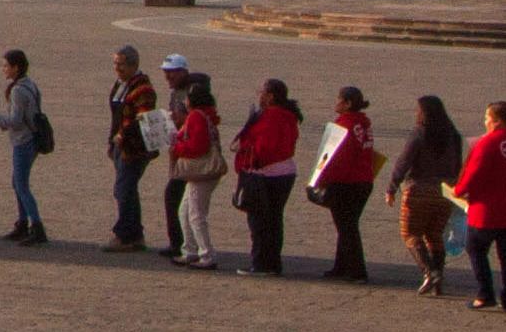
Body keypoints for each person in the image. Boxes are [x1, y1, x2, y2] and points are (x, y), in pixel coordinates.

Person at [454, 98, 506, 311]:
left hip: (487, 210)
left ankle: (485, 294)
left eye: (487, 118)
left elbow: (472, 175)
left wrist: (457, 191)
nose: (485, 122)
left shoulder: (487, 143)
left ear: (498, 121)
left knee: (475, 248)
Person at [383, 96, 460, 297]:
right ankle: (439, 279)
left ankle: (429, 272)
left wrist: (391, 187)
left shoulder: (419, 133)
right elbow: (459, 164)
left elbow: (403, 162)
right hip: (445, 191)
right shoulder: (453, 134)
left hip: (419, 189)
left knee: (410, 233)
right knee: (435, 234)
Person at [230, 76, 303, 277]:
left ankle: (262, 264)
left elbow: (263, 150)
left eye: (261, 92)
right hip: (284, 172)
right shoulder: (288, 115)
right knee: (274, 220)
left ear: (270, 96)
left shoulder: (271, 116)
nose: (259, 96)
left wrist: (245, 155)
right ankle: (272, 262)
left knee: (259, 222)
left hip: (265, 175)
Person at [307, 87, 380, 282]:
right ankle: (342, 266)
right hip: (364, 180)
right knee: (347, 226)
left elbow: (335, 158)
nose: (336, 103)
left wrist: (319, 181)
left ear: (347, 103)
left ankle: (356, 270)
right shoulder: (363, 124)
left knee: (347, 228)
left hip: (346, 182)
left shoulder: (344, 125)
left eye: (339, 99)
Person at [155, 70, 224, 269]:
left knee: (195, 214)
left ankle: (206, 254)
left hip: (200, 171)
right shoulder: (204, 115)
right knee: (185, 210)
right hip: (201, 171)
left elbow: (197, 147)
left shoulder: (196, 117)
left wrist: (176, 147)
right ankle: (190, 249)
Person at [102, 45, 159, 254]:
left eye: (121, 64)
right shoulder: (120, 84)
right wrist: (112, 142)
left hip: (135, 148)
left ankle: (124, 235)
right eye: (115, 63)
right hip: (119, 146)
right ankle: (136, 235)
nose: (117, 68)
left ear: (134, 65)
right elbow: (115, 116)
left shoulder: (143, 89)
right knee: (128, 190)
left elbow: (142, 117)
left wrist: (122, 135)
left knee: (123, 190)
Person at [0, 48, 51, 245]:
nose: (3, 69)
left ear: (16, 68)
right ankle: (23, 223)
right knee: (17, 183)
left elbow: (15, 121)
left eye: (6, 66)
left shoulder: (17, 90)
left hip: (23, 141)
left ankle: (36, 227)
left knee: (21, 185)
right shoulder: (30, 84)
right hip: (32, 139)